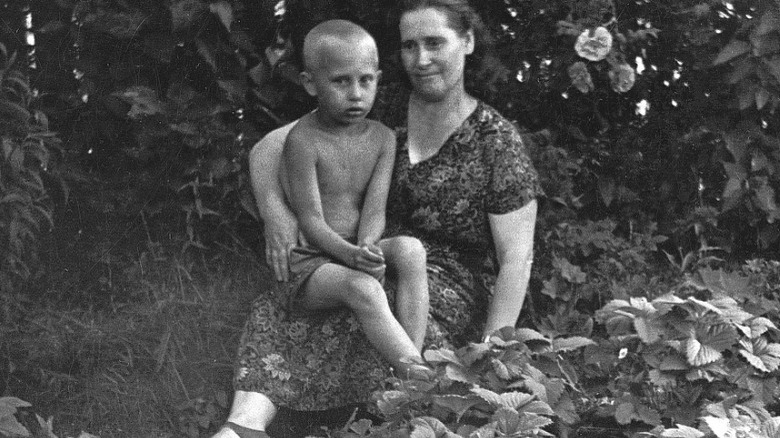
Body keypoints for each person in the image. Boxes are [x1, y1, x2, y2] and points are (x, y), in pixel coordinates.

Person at [218, 0, 543, 436]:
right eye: (410, 46)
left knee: (360, 303)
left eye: (434, 43)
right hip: (362, 249)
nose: (421, 59)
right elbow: (270, 148)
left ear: (466, 42)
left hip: (446, 281)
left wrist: (492, 352)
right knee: (289, 300)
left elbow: (516, 260)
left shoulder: (495, 141)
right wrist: (275, 214)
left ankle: (401, 405)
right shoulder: (373, 100)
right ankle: (246, 424)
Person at [213, 20, 429, 438]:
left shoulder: (383, 138)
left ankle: (408, 365)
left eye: (366, 81)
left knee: (411, 250)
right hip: (311, 261)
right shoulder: (302, 141)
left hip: (351, 246)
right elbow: (310, 222)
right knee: (364, 288)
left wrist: (368, 244)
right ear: (311, 84)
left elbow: (374, 208)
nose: (356, 94)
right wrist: (351, 259)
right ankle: (423, 384)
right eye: (341, 82)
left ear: (379, 80)